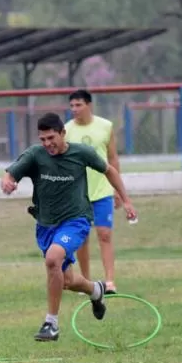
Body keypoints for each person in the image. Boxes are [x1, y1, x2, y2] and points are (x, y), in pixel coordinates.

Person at [2, 112, 136, 341]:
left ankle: (51, 324)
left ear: (63, 133)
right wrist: (8, 182)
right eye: (43, 139)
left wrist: (126, 200)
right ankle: (96, 290)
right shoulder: (36, 155)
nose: (47, 144)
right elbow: (10, 173)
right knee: (67, 281)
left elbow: (109, 170)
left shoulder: (80, 153)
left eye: (51, 138)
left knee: (53, 259)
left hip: (76, 221)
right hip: (46, 225)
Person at [65, 90, 121, 293]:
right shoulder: (66, 130)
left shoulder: (105, 126)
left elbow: (113, 159)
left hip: (102, 190)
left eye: (78, 105)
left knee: (104, 234)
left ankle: (109, 281)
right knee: (81, 237)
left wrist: (117, 189)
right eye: (71, 106)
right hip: (78, 193)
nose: (74, 110)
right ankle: (86, 282)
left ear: (89, 105)